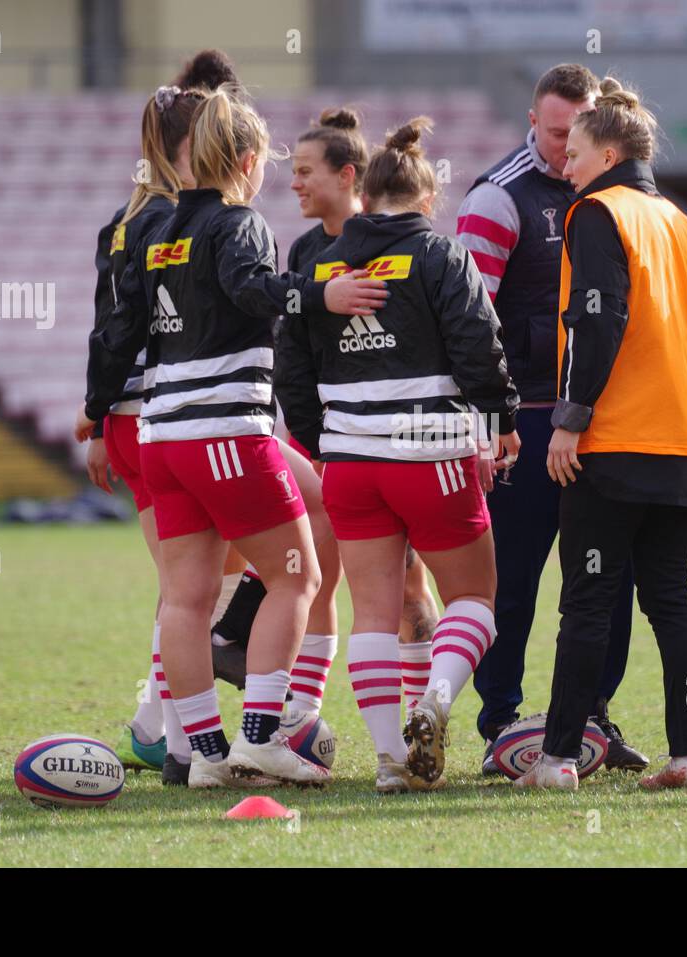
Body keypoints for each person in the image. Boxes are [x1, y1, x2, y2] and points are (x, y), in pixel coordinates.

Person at [77, 84, 386, 788]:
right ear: (247, 158)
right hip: (224, 431)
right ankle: (260, 738)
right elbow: (253, 289)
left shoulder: (152, 229)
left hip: (161, 436)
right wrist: (319, 293)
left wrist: (96, 408)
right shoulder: (237, 223)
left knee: (184, 598)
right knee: (298, 574)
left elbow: (118, 333)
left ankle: (206, 757)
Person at [276, 117, 520, 792]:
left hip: (350, 460)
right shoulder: (441, 255)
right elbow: (478, 346)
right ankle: (435, 698)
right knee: (474, 597)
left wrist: (324, 445)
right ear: (426, 199)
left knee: (372, 611)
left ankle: (389, 763)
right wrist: (498, 417)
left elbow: (289, 373)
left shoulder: (319, 266)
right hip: (430, 452)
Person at [512, 79, 687, 791]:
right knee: (672, 599)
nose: (564, 165)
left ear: (606, 151)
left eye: (573, 152)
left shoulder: (596, 212)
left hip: (617, 438)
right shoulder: (686, 224)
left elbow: (598, 320)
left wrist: (571, 417)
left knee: (589, 601)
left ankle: (559, 757)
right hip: (686, 441)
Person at [210, 107, 442, 715]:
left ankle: (420, 719)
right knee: (318, 576)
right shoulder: (308, 248)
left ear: (348, 177)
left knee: (408, 585)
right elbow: (294, 352)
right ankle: (301, 716)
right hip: (329, 443)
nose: (295, 182)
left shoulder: (398, 244)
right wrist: (312, 437)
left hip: (396, 443)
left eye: (307, 170)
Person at [456, 63, 646, 774]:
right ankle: (499, 722)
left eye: (582, 135)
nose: (569, 150)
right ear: (532, 123)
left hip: (601, 420)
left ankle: (594, 715)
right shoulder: (498, 198)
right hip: (527, 420)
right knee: (513, 581)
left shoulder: (617, 195)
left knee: (605, 575)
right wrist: (488, 423)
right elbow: (468, 327)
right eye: (558, 133)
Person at [83, 50, 239, 786]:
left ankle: (166, 729)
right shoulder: (187, 219)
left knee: (185, 584)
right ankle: (204, 733)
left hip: (129, 417)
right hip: (177, 413)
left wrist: (93, 415)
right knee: (222, 578)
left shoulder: (124, 219)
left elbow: (104, 330)